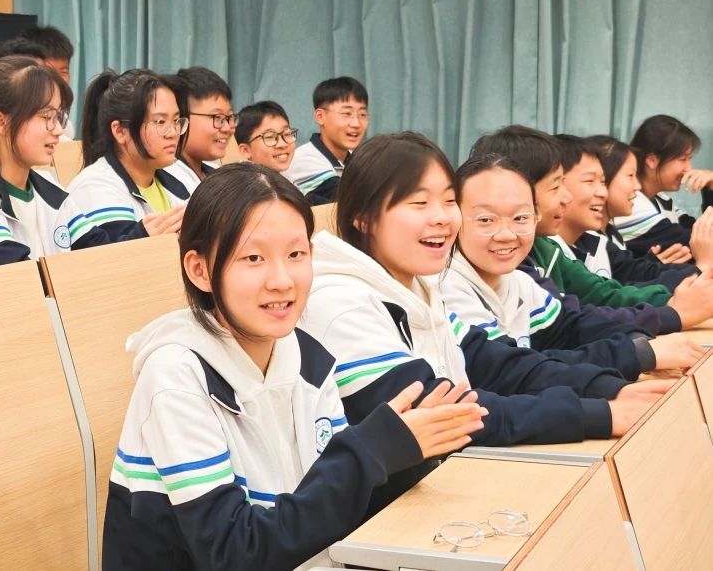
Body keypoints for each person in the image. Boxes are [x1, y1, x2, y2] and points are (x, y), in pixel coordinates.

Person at [102, 163, 487, 571]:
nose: (282, 280)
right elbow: (234, 553)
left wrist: (405, 455)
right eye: (253, 258)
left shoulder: (307, 356)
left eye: (295, 255)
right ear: (200, 270)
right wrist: (371, 450)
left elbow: (324, 506)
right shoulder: (176, 375)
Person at [300, 132, 673, 515]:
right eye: (419, 203)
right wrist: (598, 413)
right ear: (364, 217)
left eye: (448, 201)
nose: (441, 217)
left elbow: (494, 363)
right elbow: (447, 416)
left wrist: (610, 390)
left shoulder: (417, 286)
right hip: (381, 519)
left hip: (435, 489)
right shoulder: (341, 303)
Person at [438, 153, 704, 380]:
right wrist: (640, 350)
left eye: (520, 217)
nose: (506, 233)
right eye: (485, 220)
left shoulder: (519, 280)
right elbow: (514, 372)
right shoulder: (446, 288)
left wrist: (639, 340)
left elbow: (572, 326)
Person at [471, 125, 713, 329]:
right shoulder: (513, 261)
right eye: (556, 186)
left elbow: (603, 296)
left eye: (603, 181)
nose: (566, 197)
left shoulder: (550, 247)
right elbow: (571, 324)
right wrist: (675, 306)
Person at [0, 55, 107, 270]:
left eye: (58, 116)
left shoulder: (49, 187)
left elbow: (98, 249)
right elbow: (22, 274)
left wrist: (141, 233)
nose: (59, 130)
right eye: (46, 116)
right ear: (1, 122)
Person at [69, 69, 191, 242]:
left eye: (176, 121)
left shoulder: (179, 177)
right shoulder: (95, 187)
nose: (173, 133)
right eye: (160, 122)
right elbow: (118, 256)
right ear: (120, 131)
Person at [574, 135, 708, 289]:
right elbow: (616, 293)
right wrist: (702, 267)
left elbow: (626, 276)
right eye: (630, 176)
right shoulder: (587, 239)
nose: (637, 186)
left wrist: (649, 264)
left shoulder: (611, 234)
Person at [614, 114, 713, 257]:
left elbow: (702, 230)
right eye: (683, 159)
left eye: (689, 159)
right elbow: (702, 242)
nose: (689, 168)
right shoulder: (632, 203)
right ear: (652, 160)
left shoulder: (660, 199)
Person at [284, 76, 368, 205]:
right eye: (346, 114)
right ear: (320, 116)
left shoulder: (356, 160)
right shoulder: (304, 160)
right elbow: (352, 204)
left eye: (362, 114)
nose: (356, 123)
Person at [165, 67, 235, 185]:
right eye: (217, 117)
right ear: (181, 119)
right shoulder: (169, 180)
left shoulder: (217, 174)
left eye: (229, 117)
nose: (227, 128)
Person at [17, 25, 76, 138]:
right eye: (49, 71)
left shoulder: (65, 125)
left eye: (64, 72)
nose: (58, 80)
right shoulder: (20, 120)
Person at [235, 100, 297, 172]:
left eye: (287, 134)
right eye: (270, 137)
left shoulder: (286, 175)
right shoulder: (242, 179)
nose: (282, 144)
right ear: (245, 150)